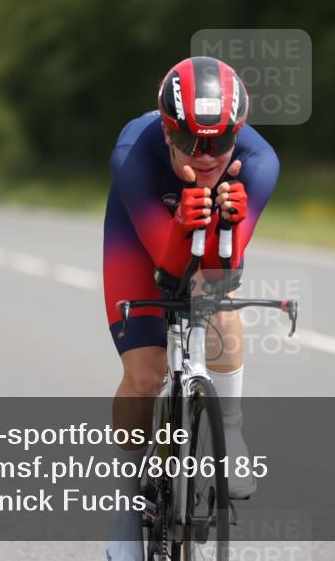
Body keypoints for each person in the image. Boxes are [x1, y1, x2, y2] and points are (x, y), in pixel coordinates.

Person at [103, 56, 279, 560]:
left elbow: (220, 272)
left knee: (218, 301)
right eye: (191, 142)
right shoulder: (132, 153)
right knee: (145, 372)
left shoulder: (260, 162)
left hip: (207, 246)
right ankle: (127, 502)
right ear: (166, 129)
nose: (206, 156)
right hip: (142, 240)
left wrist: (225, 224)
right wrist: (183, 220)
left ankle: (232, 431)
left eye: (220, 143)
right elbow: (164, 258)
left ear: (238, 133)